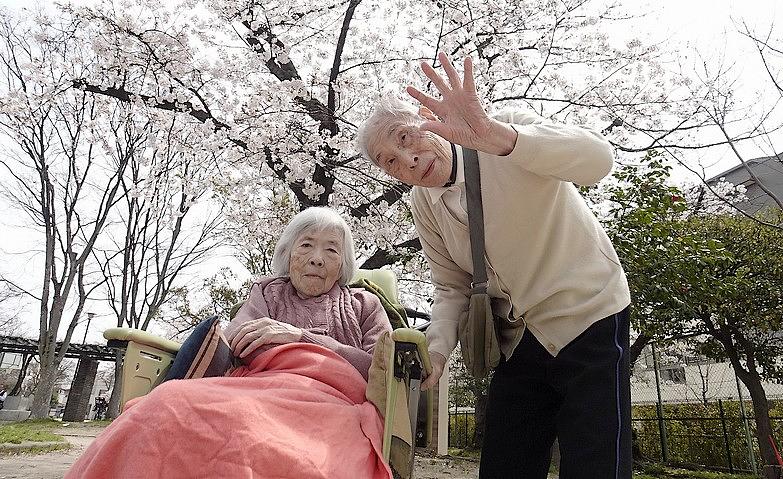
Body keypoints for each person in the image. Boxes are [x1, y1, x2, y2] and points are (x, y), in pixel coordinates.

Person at [357, 52, 632, 478]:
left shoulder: (504, 129)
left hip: (587, 314)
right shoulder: (422, 202)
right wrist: (438, 347)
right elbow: (452, 287)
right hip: (518, 339)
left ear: (428, 115)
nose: (405, 159)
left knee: (596, 465)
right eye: (388, 160)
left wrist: (496, 135)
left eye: (405, 137)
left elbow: (598, 160)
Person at [66, 207, 394, 479]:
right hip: (255, 389)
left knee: (277, 447)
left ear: (342, 265)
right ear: (289, 253)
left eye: (331, 249)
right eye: (306, 245)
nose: (317, 258)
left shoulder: (364, 304)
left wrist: (301, 337)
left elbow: (380, 369)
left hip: (331, 403)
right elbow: (235, 340)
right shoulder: (267, 292)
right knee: (169, 400)